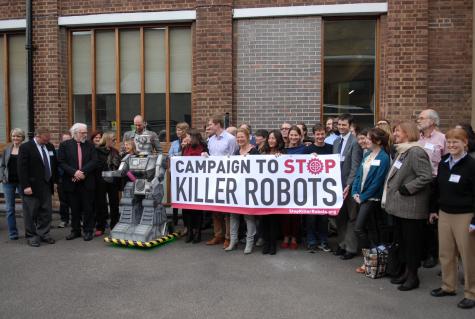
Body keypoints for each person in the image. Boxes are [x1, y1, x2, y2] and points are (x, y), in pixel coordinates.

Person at [382, 121, 433, 291]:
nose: (394, 134)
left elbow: (426, 176)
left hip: (411, 207)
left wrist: (407, 189)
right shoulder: (402, 151)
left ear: (408, 133)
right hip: (399, 207)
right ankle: (405, 271)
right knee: (402, 242)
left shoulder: (416, 152)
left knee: (412, 244)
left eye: (398, 131)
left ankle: (413, 276)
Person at [429, 128, 475, 309]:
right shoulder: (443, 163)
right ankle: (448, 286)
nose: (452, 145)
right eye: (449, 142)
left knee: (468, 255)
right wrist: (434, 209)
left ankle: (471, 292)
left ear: (465, 143)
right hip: (445, 213)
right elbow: (438, 189)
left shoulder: (471, 165)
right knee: (446, 253)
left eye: (456, 141)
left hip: (465, 215)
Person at [352, 128, 390, 273]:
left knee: (359, 228)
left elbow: (378, 182)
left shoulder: (384, 158)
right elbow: (359, 175)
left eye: (369, 138)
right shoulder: (367, 154)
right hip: (361, 198)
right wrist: (355, 192)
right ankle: (372, 260)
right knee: (370, 230)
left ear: (378, 141)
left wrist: (363, 196)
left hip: (371, 199)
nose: (366, 140)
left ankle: (370, 258)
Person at [417, 109, 448, 269]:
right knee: (420, 218)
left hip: (434, 182)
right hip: (418, 182)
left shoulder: (442, 139)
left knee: (431, 219)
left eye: (422, 118)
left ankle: (432, 254)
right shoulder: (418, 139)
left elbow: (447, 161)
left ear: (432, 121)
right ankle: (421, 251)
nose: (418, 120)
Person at [58, 123, 98, 241]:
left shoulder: (90, 145)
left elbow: (94, 161)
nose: (85, 135)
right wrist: (74, 172)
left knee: (88, 208)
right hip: (71, 181)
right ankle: (75, 231)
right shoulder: (65, 145)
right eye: (83, 133)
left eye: (86, 132)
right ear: (75, 133)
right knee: (74, 208)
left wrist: (81, 172)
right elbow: (61, 162)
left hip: (87, 181)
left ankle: (88, 231)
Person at [17, 128, 57, 247]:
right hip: (32, 186)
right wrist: (26, 186)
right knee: (30, 212)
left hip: (46, 184)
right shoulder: (26, 147)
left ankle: (44, 233)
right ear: (38, 136)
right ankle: (31, 236)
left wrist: (54, 181)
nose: (47, 142)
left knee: (46, 211)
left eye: (48, 139)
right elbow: (21, 168)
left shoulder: (49, 147)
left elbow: (53, 164)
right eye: (45, 139)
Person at [203, 116, 238, 248]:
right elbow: (212, 156)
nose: (209, 127)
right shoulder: (210, 140)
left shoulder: (230, 139)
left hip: (227, 177)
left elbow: (234, 156)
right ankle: (218, 235)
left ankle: (228, 237)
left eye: (210, 124)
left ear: (218, 125)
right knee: (215, 208)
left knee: (227, 209)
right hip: (213, 177)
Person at [332, 113, 363, 260]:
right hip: (336, 186)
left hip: (348, 186)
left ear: (350, 126)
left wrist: (349, 185)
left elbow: (355, 166)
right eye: (339, 124)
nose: (341, 127)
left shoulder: (355, 142)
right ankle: (342, 244)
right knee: (340, 217)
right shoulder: (336, 142)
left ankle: (351, 248)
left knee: (352, 217)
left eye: (344, 124)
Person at [226, 128, 259, 254]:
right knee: (233, 215)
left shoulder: (254, 152)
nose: (239, 139)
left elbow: (260, 169)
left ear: (248, 137)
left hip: (250, 189)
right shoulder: (235, 152)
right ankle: (233, 241)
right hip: (237, 189)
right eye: (237, 137)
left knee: (249, 216)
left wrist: (251, 159)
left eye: (242, 137)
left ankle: (249, 242)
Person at [303, 124, 333, 252]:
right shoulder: (308, 150)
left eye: (322, 134)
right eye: (318, 134)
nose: (320, 136)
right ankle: (311, 241)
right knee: (310, 217)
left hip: (325, 188)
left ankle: (323, 240)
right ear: (314, 135)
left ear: (325, 134)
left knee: (323, 217)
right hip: (310, 189)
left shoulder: (331, 148)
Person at [260, 129, 286, 255]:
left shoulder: (283, 153)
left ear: (278, 140)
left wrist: (281, 158)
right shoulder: (262, 152)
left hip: (276, 191)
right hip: (263, 190)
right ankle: (266, 243)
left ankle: (273, 244)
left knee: (273, 219)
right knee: (264, 218)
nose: (271, 140)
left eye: (274, 138)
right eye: (269, 138)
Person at [181, 128, 208, 244]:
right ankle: (190, 231)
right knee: (187, 209)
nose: (185, 138)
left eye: (187, 136)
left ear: (193, 137)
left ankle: (198, 232)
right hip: (187, 183)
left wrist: (206, 156)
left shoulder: (203, 147)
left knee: (197, 210)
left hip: (199, 183)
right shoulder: (185, 148)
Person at [281, 126, 305, 249]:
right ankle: (286, 237)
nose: (293, 137)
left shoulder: (305, 149)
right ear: (288, 136)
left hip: (298, 187)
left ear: (300, 136)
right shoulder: (283, 150)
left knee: (296, 214)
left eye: (296, 135)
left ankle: (294, 237)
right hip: (285, 186)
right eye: (292, 135)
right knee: (285, 214)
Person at [0, 128, 26, 240]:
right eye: (14, 136)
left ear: (22, 138)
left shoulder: (26, 149)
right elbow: (2, 166)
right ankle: (13, 233)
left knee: (27, 207)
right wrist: (2, 177)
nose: (15, 138)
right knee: (10, 209)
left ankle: (29, 231)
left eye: (18, 136)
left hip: (22, 182)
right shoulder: (7, 149)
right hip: (8, 183)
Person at [94, 132, 121, 236]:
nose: (115, 142)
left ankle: (114, 225)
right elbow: (96, 165)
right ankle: (100, 226)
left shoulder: (115, 151)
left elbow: (119, 165)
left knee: (114, 203)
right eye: (113, 140)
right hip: (101, 181)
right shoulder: (97, 151)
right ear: (107, 140)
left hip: (113, 181)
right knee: (101, 204)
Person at [168, 122, 189, 226]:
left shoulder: (189, 141)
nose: (178, 132)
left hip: (186, 173)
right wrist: (179, 154)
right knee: (175, 194)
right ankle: (175, 219)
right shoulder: (174, 143)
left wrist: (177, 155)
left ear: (185, 131)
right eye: (177, 130)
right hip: (175, 172)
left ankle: (186, 220)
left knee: (185, 195)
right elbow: (170, 155)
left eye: (180, 130)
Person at [57, 132, 72, 228]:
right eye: (65, 140)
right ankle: (64, 219)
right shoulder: (57, 151)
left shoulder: (74, 150)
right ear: (61, 141)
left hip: (73, 179)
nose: (67, 142)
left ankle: (78, 219)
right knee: (63, 201)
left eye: (69, 139)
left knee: (76, 201)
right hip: (62, 179)